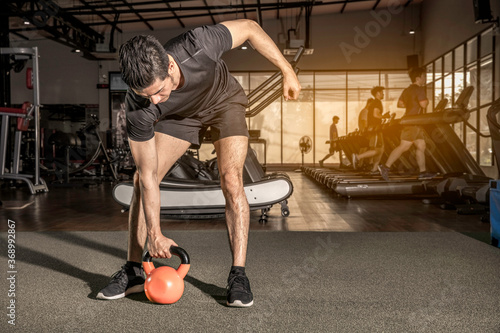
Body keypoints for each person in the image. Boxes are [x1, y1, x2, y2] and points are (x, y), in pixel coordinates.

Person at [96, 19, 301, 307]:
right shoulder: (139, 106)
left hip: (223, 102)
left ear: (169, 66)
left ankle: (238, 275)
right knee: (139, 183)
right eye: (146, 96)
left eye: (158, 91)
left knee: (231, 180)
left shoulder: (199, 45)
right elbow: (147, 175)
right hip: (180, 118)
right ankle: (133, 271)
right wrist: (155, 234)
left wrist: (287, 71)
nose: (154, 101)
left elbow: (252, 28)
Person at [377, 67, 436, 181]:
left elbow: (400, 104)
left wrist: (411, 104)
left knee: (421, 145)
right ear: (418, 78)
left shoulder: (407, 90)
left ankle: (423, 172)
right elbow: (423, 105)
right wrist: (426, 101)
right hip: (412, 122)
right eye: (424, 76)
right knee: (404, 146)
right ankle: (385, 166)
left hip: (414, 122)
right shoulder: (419, 89)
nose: (425, 79)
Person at [352, 87, 385, 174]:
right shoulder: (377, 102)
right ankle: (358, 157)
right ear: (378, 93)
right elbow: (375, 115)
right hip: (375, 129)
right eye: (382, 92)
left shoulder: (375, 102)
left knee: (381, 149)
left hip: (375, 129)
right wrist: (385, 116)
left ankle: (374, 169)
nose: (383, 94)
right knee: (378, 149)